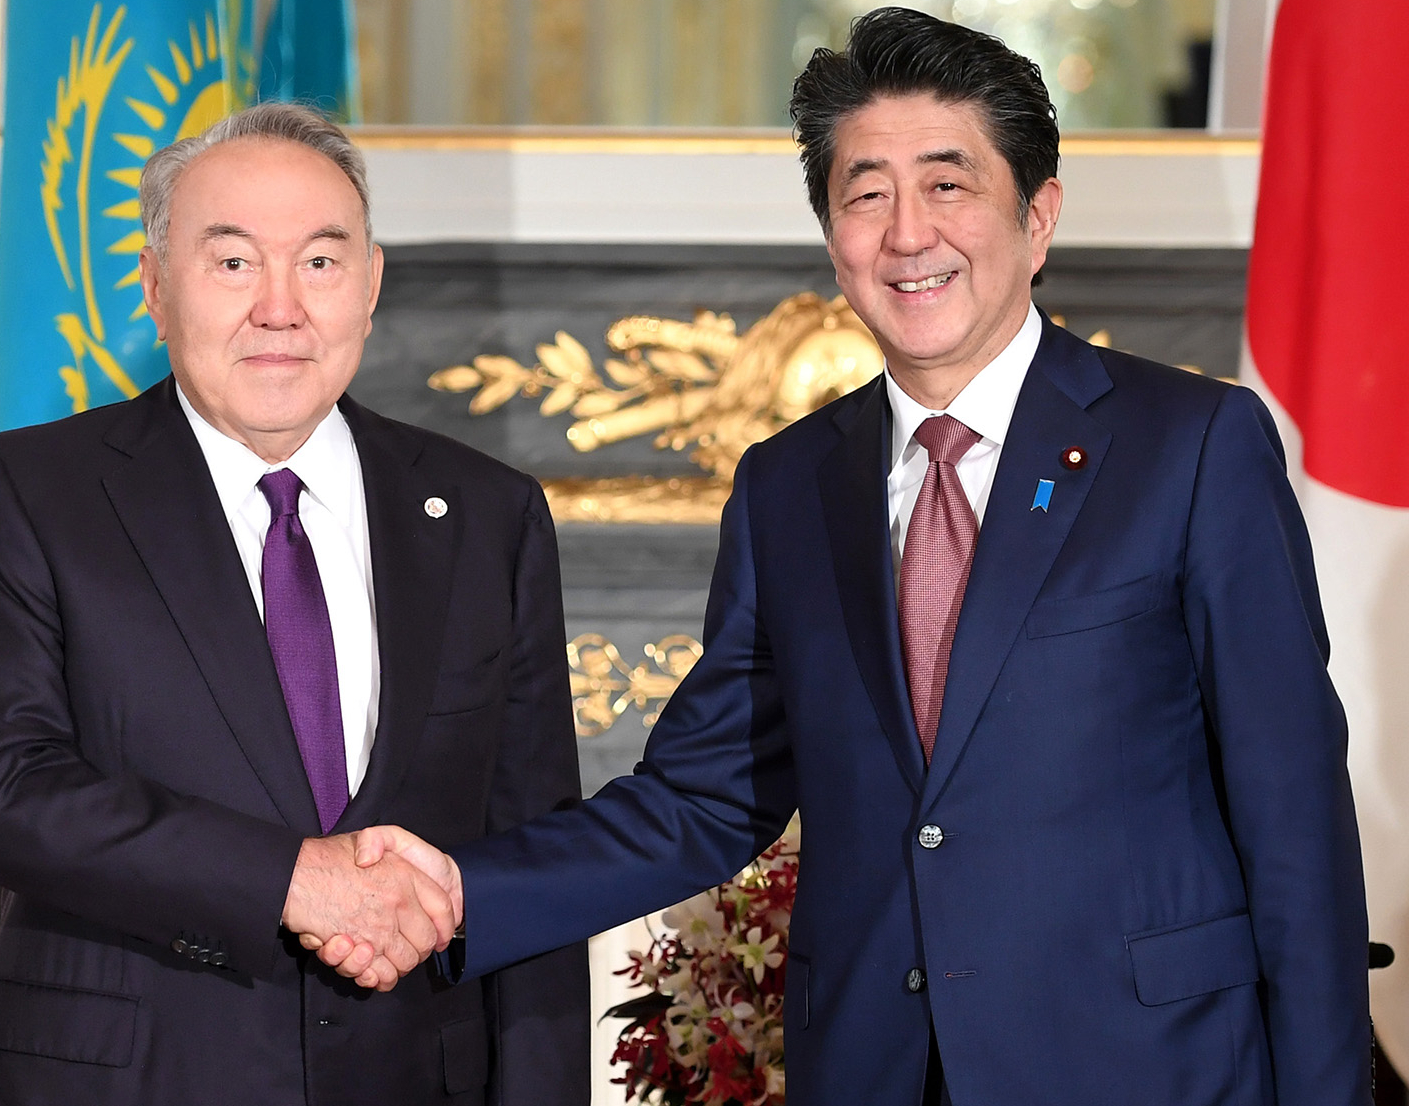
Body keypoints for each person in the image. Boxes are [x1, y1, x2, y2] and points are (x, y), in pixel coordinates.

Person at [315, 9, 1371, 1106]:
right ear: (832, 236)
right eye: (866, 194)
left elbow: (1291, 811)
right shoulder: (788, 484)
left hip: (1148, 1069)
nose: (907, 234)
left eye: (948, 184)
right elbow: (705, 795)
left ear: (1038, 215)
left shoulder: (1189, 445)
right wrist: (458, 892)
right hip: (876, 1068)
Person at [0, 101, 589, 1106]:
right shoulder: (21, 492)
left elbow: (534, 855)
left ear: (370, 285)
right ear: (155, 287)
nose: (280, 307)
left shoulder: (487, 513)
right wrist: (290, 879)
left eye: (319, 262)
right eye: (233, 263)